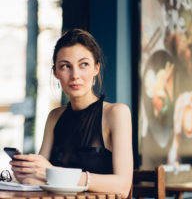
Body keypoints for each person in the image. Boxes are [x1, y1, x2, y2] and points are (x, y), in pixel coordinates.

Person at [10, 29, 133, 198]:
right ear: (56, 72)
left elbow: (122, 186)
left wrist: (51, 172)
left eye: (84, 64)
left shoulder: (116, 113)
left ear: (96, 68)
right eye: (65, 66)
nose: (75, 75)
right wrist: (26, 172)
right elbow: (40, 177)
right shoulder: (55, 116)